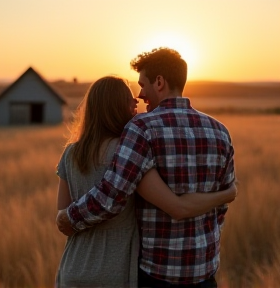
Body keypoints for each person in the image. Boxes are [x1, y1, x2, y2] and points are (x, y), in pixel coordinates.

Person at [57, 48, 236, 287]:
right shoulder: (220, 131)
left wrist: (67, 218)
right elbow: (219, 207)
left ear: (159, 82)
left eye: (142, 84)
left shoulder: (141, 128)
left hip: (157, 273)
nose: (140, 95)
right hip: (204, 271)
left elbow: (112, 194)